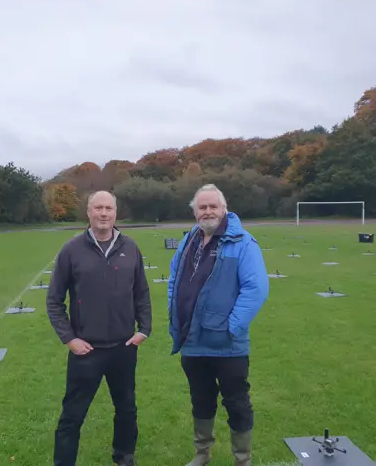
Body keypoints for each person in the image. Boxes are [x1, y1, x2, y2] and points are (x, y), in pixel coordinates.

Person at [46, 190, 152, 466]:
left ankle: (124, 457)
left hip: (123, 348)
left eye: (109, 208)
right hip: (86, 351)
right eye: (98, 208)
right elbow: (54, 300)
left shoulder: (130, 248)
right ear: (89, 212)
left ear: (116, 213)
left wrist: (145, 329)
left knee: (127, 409)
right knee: (72, 414)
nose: (104, 213)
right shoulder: (72, 250)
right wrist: (70, 339)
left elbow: (142, 292)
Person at [167, 184, 269, 466]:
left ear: (224, 209)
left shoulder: (243, 243)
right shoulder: (189, 239)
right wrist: (175, 314)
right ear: (195, 212)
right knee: (201, 401)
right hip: (192, 341)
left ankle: (242, 459)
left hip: (228, 346)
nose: (208, 211)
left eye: (213, 206)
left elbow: (256, 288)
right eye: (202, 207)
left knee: (236, 403)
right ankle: (202, 455)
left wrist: (231, 327)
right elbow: (174, 279)